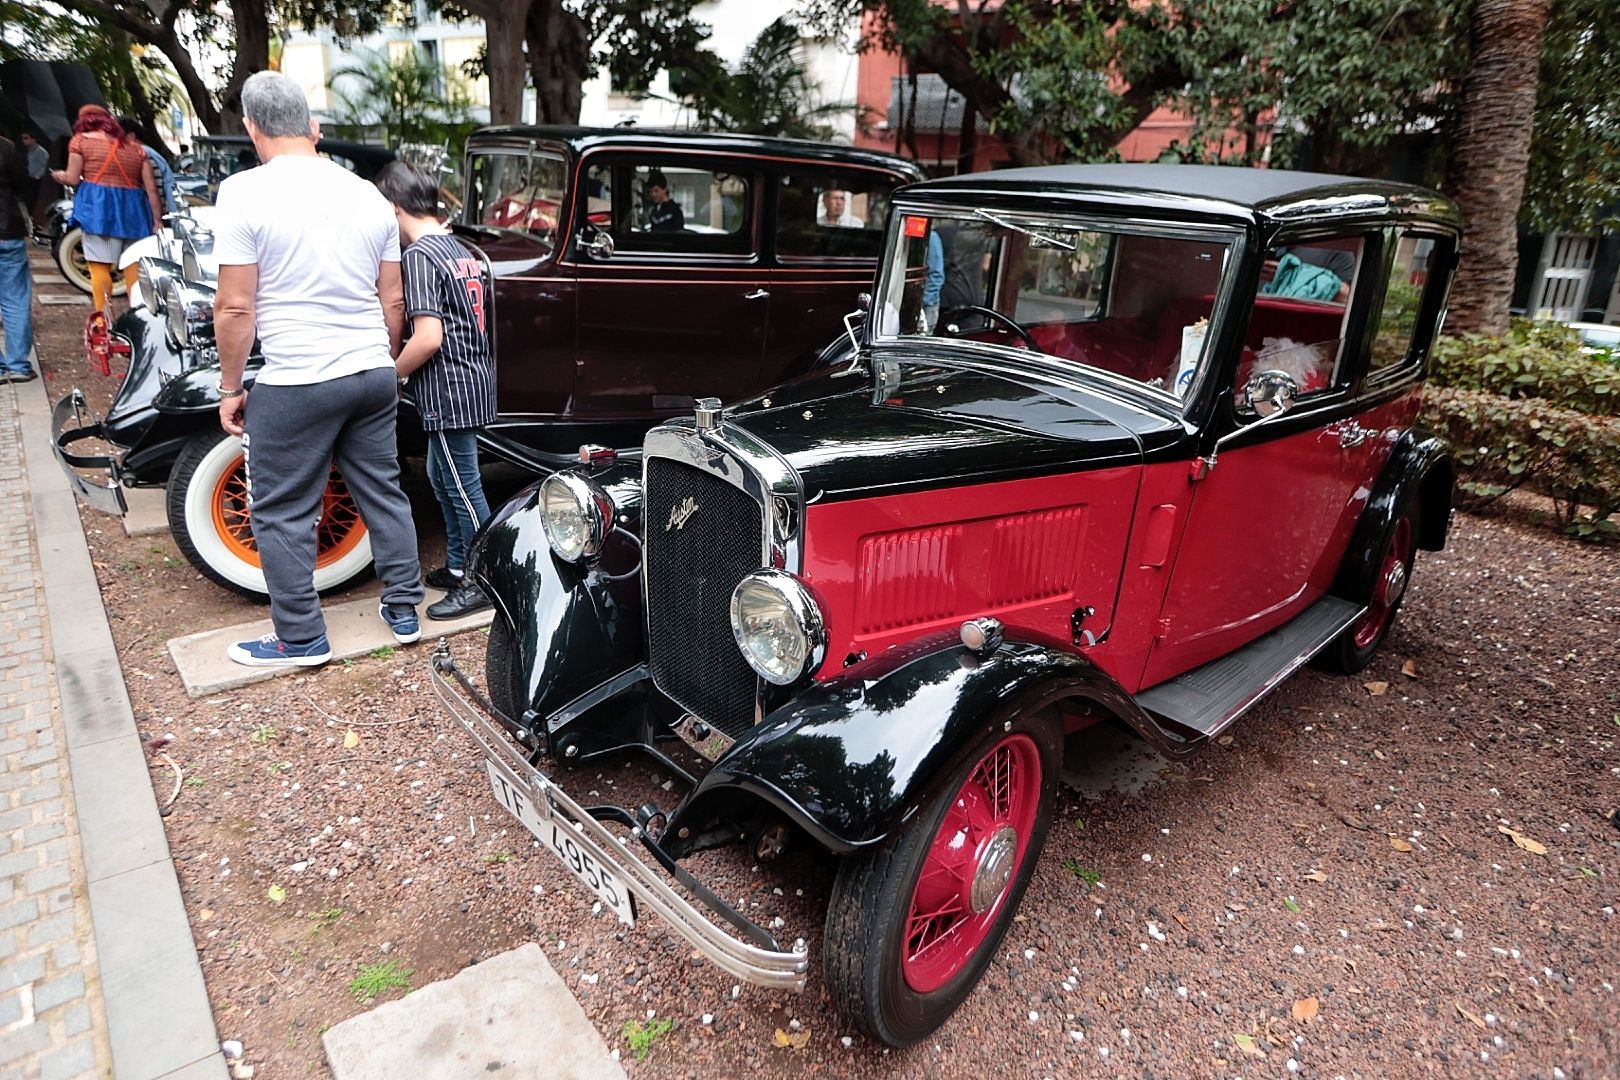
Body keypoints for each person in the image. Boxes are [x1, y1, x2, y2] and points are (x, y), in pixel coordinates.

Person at [212, 71, 424, 668]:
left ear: (252, 127)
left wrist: (231, 387)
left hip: (298, 377)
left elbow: (234, 306)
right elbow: (393, 301)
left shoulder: (243, 193)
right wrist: (379, 363)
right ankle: (404, 608)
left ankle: (301, 638)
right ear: (311, 125)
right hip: (370, 372)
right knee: (383, 491)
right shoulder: (369, 196)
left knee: (281, 509)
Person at [373, 161, 496, 621]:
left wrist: (392, 372)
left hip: (449, 386)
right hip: (473, 378)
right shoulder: (462, 249)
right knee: (444, 480)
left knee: (464, 487)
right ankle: (461, 564)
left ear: (393, 208)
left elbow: (428, 338)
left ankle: (486, 579)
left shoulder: (419, 258)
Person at [48, 105, 161, 315]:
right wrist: (157, 221)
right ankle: (140, 316)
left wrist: (60, 175)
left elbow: (73, 178)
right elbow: (151, 189)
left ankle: (103, 320)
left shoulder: (80, 141)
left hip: (98, 210)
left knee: (99, 267)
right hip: (134, 211)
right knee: (134, 266)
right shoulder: (136, 149)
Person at [0, 134, 36, 382]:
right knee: (15, 298)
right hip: (7, 230)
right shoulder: (5, 146)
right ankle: (18, 365)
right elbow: (24, 183)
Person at [120, 118, 177, 214]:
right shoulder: (149, 152)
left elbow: (154, 189)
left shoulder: (143, 154)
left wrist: (156, 216)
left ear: (131, 136)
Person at [18, 130, 47, 210]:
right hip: (30, 178)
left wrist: (38, 175)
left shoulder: (40, 151)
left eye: (26, 138)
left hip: (38, 180)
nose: (23, 140)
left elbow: (46, 165)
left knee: (35, 199)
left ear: (33, 139)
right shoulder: (30, 151)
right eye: (23, 138)